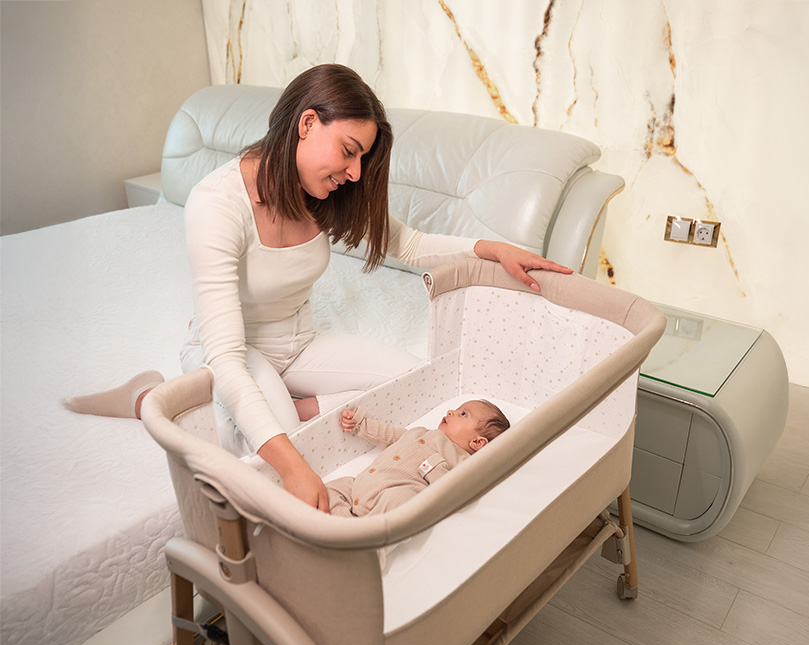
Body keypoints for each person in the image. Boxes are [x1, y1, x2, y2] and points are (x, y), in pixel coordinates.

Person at [63, 64, 571, 512]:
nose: (354, 173)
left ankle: (293, 404)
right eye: (349, 152)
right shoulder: (216, 204)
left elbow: (410, 245)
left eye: (361, 159)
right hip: (230, 351)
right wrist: (294, 468)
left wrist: (493, 249)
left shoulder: (324, 192)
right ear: (307, 123)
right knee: (284, 447)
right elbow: (227, 354)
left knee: (411, 382)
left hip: (297, 344)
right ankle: (149, 396)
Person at [326, 400, 509, 517]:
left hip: (392, 494)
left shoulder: (463, 461)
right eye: (457, 409)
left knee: (401, 503)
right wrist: (361, 425)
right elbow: (389, 435)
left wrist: (433, 468)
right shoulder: (420, 432)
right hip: (360, 485)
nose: (451, 411)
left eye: (463, 414)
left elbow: (459, 496)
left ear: (477, 442)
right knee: (332, 489)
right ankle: (342, 526)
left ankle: (368, 545)